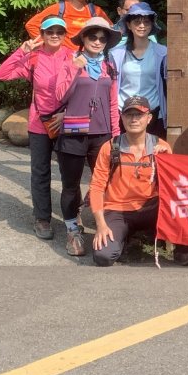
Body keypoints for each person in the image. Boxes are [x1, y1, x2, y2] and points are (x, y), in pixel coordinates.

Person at [0, 16, 73, 240]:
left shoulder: (72, 57)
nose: (55, 35)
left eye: (59, 31)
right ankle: (42, 219)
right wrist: (22, 51)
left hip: (66, 122)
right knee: (40, 173)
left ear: (65, 35)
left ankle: (71, 219)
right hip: (39, 123)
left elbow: (82, 88)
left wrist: (67, 113)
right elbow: (3, 74)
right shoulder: (34, 58)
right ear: (42, 34)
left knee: (70, 174)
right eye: (50, 32)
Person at [54, 17, 122, 257]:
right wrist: (75, 68)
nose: (97, 41)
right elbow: (60, 96)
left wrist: (116, 136)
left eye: (102, 38)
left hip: (101, 135)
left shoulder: (109, 66)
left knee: (105, 183)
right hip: (73, 133)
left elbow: (113, 104)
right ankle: (72, 231)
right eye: (92, 36)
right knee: (70, 186)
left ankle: (107, 228)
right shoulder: (70, 62)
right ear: (83, 38)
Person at [88, 95, 172, 267]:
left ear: (149, 118)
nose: (134, 119)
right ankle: (123, 237)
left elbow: (174, 187)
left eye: (139, 115)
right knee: (103, 256)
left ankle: (181, 250)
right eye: (129, 115)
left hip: (151, 207)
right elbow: (96, 187)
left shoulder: (161, 146)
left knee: (179, 214)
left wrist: (167, 161)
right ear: (122, 117)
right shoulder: (110, 148)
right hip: (117, 209)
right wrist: (101, 224)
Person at [110, 2, 167, 138]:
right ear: (129, 25)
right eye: (137, 22)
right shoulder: (116, 53)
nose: (142, 26)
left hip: (153, 113)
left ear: (152, 24)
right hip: (124, 113)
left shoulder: (163, 52)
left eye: (146, 22)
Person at [25, 0, 110, 50]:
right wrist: (47, 44)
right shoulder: (59, 8)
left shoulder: (95, 11)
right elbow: (31, 25)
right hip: (63, 58)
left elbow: (111, 30)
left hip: (87, 58)